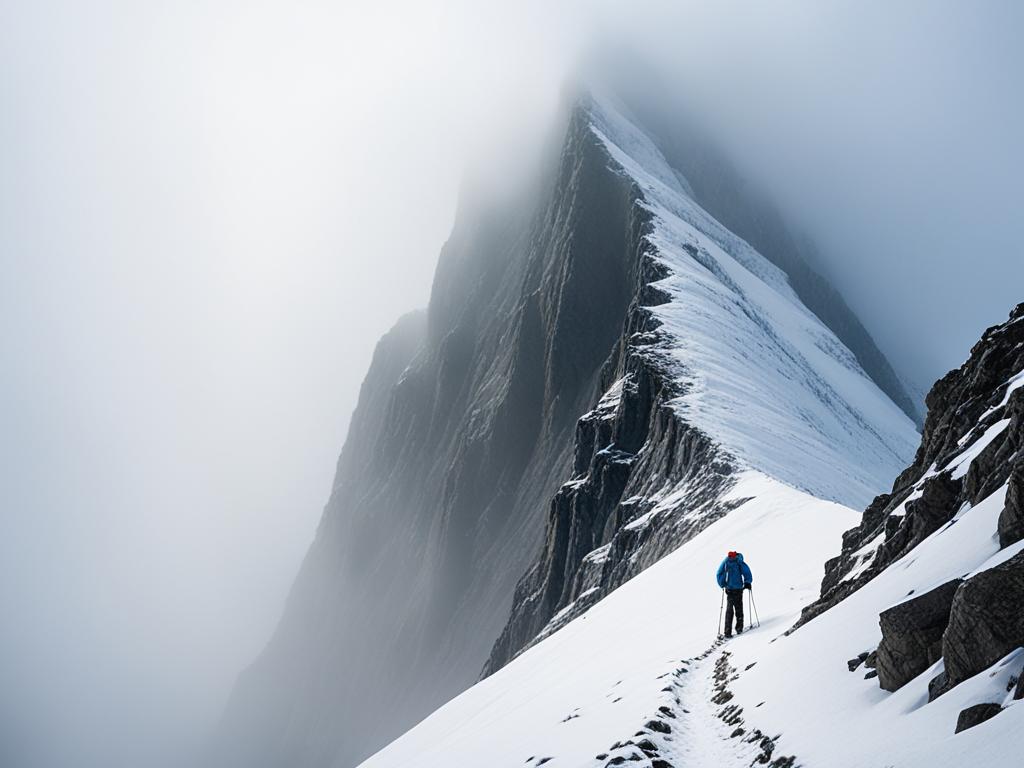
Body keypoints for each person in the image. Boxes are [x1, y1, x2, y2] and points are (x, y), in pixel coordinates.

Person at [716, 551, 753, 637]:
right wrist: (747, 582)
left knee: (731, 610)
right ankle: (737, 629)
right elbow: (746, 572)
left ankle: (730, 631)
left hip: (733, 589)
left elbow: (719, 574)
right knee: (737, 609)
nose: (731, 558)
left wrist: (723, 584)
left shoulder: (729, 562)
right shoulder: (734, 562)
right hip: (736, 589)